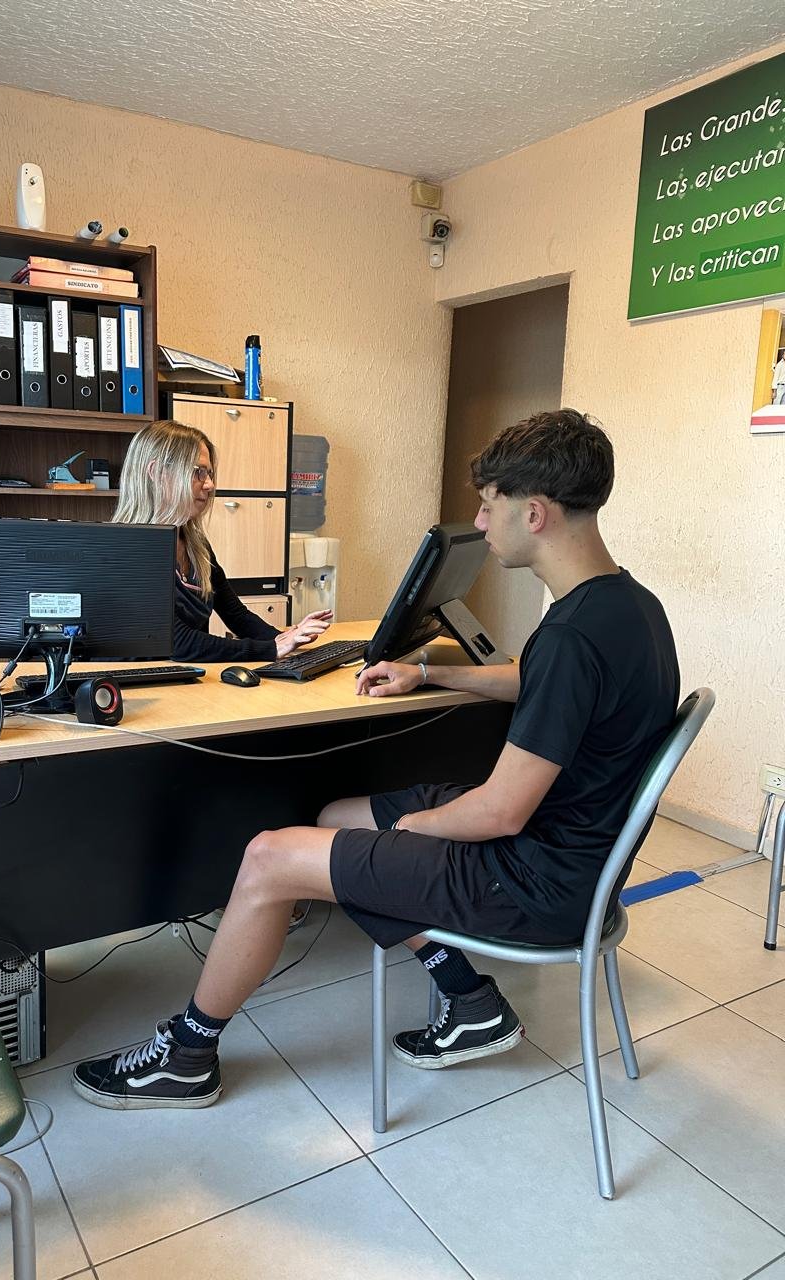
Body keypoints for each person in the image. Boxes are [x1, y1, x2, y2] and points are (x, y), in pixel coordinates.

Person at [73, 409, 679, 1110]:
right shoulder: (626, 607)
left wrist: (410, 836)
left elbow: (500, 809)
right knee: (337, 812)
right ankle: (469, 997)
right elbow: (534, 682)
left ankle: (186, 1054)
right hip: (574, 863)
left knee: (271, 857)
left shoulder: (574, 636)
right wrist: (432, 675)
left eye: (488, 508)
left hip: (534, 882)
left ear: (534, 514)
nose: (481, 526)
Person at [112, 420, 332, 663]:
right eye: (198, 472)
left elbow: (235, 615)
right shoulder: (126, 551)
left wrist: (288, 638)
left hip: (179, 680)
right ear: (156, 473)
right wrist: (271, 648)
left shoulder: (196, 545)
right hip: (135, 693)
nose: (210, 484)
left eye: (210, 473)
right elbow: (177, 642)